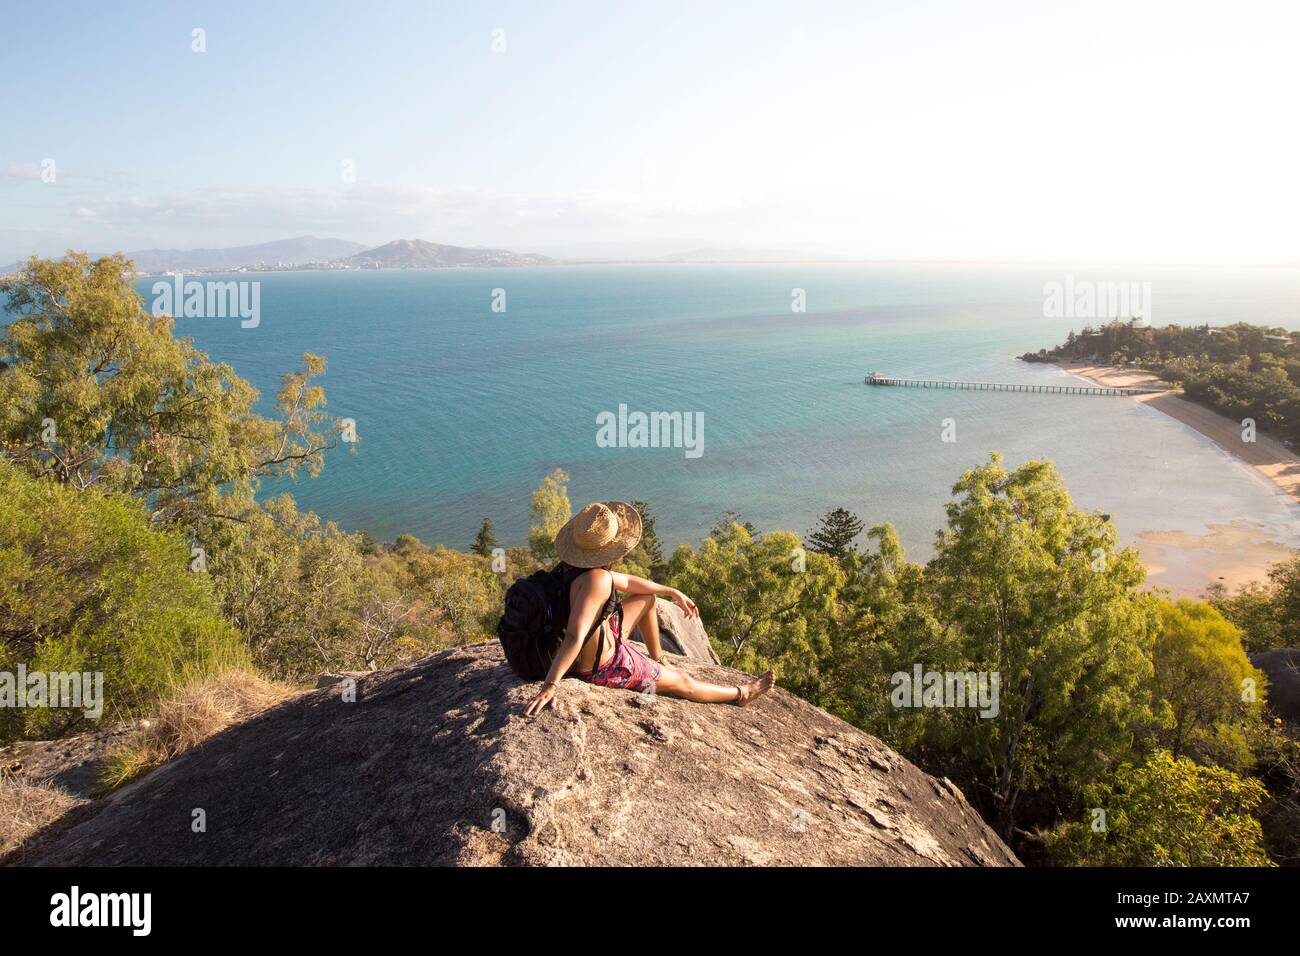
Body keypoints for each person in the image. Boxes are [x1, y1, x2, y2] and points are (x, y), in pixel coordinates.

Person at [523, 501, 775, 716]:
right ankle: (741, 693)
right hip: (604, 665)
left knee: (647, 600)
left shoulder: (571, 569)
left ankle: (659, 658)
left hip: (598, 643)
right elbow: (575, 636)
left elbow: (630, 582)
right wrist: (551, 684)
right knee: (682, 682)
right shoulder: (597, 580)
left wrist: (671, 592)